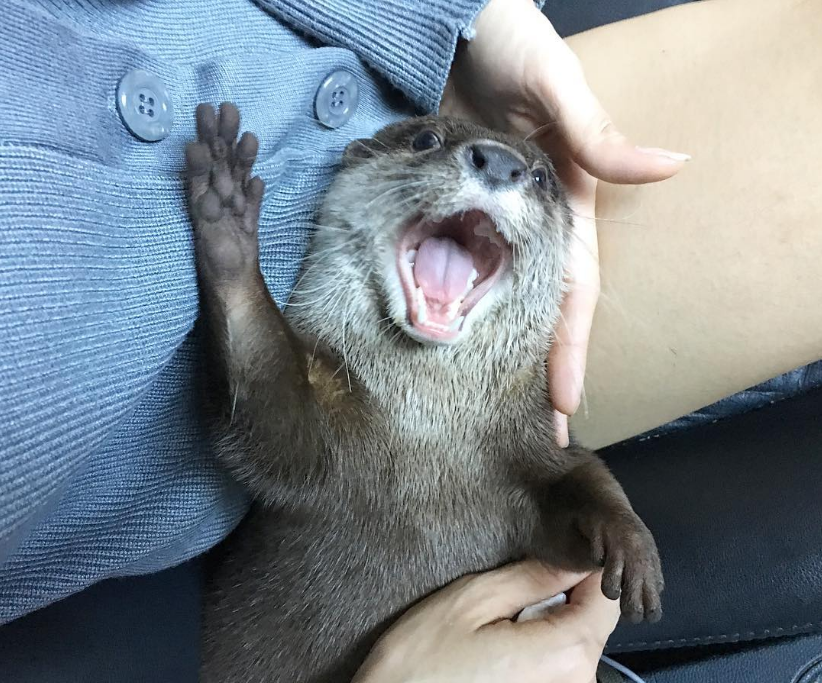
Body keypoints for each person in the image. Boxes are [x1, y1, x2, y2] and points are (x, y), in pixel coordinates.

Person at [2, 0, 819, 679]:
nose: (501, 172)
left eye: (525, 181)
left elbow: (550, 476)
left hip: (398, 79)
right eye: (456, 157)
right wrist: (236, 279)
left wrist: (460, 17)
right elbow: (290, 452)